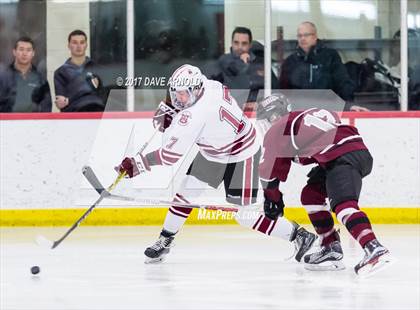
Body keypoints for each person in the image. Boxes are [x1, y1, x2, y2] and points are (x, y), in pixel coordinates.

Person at [116, 64, 316, 264]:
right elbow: (185, 106)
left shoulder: (194, 116)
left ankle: (299, 235)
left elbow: (170, 156)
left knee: (245, 216)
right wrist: (173, 108)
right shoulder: (210, 85)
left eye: (182, 95)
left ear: (195, 90)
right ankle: (165, 239)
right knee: (184, 195)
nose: (178, 99)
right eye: (175, 94)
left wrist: (137, 164)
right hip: (214, 152)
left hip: (242, 154)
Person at [256, 93, 392, 276]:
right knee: (311, 194)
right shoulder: (308, 113)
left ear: (272, 116)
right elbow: (325, 134)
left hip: (340, 157)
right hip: (355, 152)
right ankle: (330, 248)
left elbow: (269, 173)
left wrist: (272, 199)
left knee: (344, 206)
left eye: (267, 119)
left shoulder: (277, 129)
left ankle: (374, 248)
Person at [279, 22, 367, 112]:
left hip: (328, 110)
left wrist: (349, 105)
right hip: (298, 111)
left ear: (315, 36)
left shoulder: (330, 56)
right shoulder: (290, 61)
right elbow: (284, 91)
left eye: (306, 35)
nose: (303, 38)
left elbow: (342, 82)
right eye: (299, 36)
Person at [210, 27, 278, 107]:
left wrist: (260, 103)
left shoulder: (261, 63)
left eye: (244, 43)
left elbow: (275, 88)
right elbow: (214, 88)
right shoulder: (224, 61)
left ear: (250, 45)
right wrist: (243, 63)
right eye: (236, 43)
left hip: (258, 109)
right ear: (231, 43)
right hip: (231, 108)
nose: (239, 47)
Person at [54, 29, 105, 112]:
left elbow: (104, 97)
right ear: (69, 45)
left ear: (86, 45)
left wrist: (69, 99)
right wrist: (89, 86)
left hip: (96, 116)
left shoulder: (97, 68)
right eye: (74, 42)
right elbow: (62, 104)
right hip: (73, 119)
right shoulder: (60, 72)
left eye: (82, 42)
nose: (78, 46)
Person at [0, 36, 51, 112]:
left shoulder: (41, 79)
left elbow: (46, 107)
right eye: (21, 49)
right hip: (9, 122)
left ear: (33, 53)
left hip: (34, 122)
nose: (24, 53)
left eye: (28, 50)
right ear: (14, 52)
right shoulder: (3, 77)